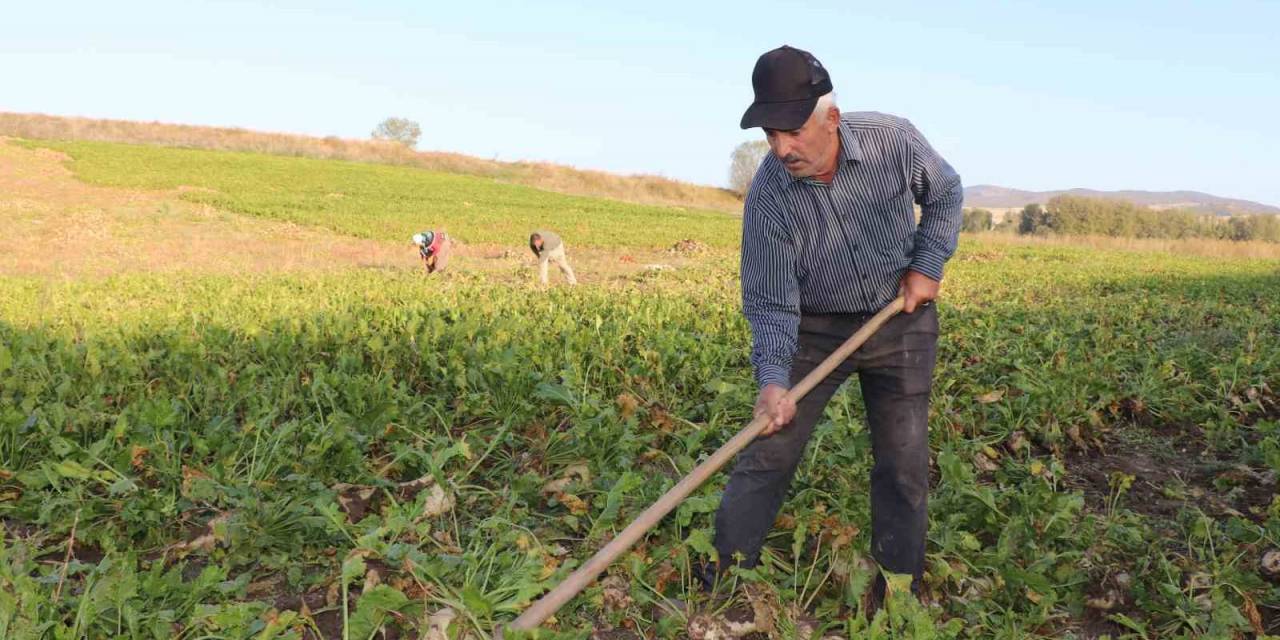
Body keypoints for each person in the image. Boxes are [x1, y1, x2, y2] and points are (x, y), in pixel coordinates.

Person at [709, 45, 963, 613]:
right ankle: (723, 580)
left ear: (831, 118)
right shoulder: (769, 197)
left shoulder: (892, 141)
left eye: (793, 131)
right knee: (769, 448)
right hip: (816, 329)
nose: (782, 148)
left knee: (902, 463)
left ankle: (896, 595)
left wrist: (927, 264)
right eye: (771, 134)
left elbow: (946, 191)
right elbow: (771, 301)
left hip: (899, 320)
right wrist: (773, 380)